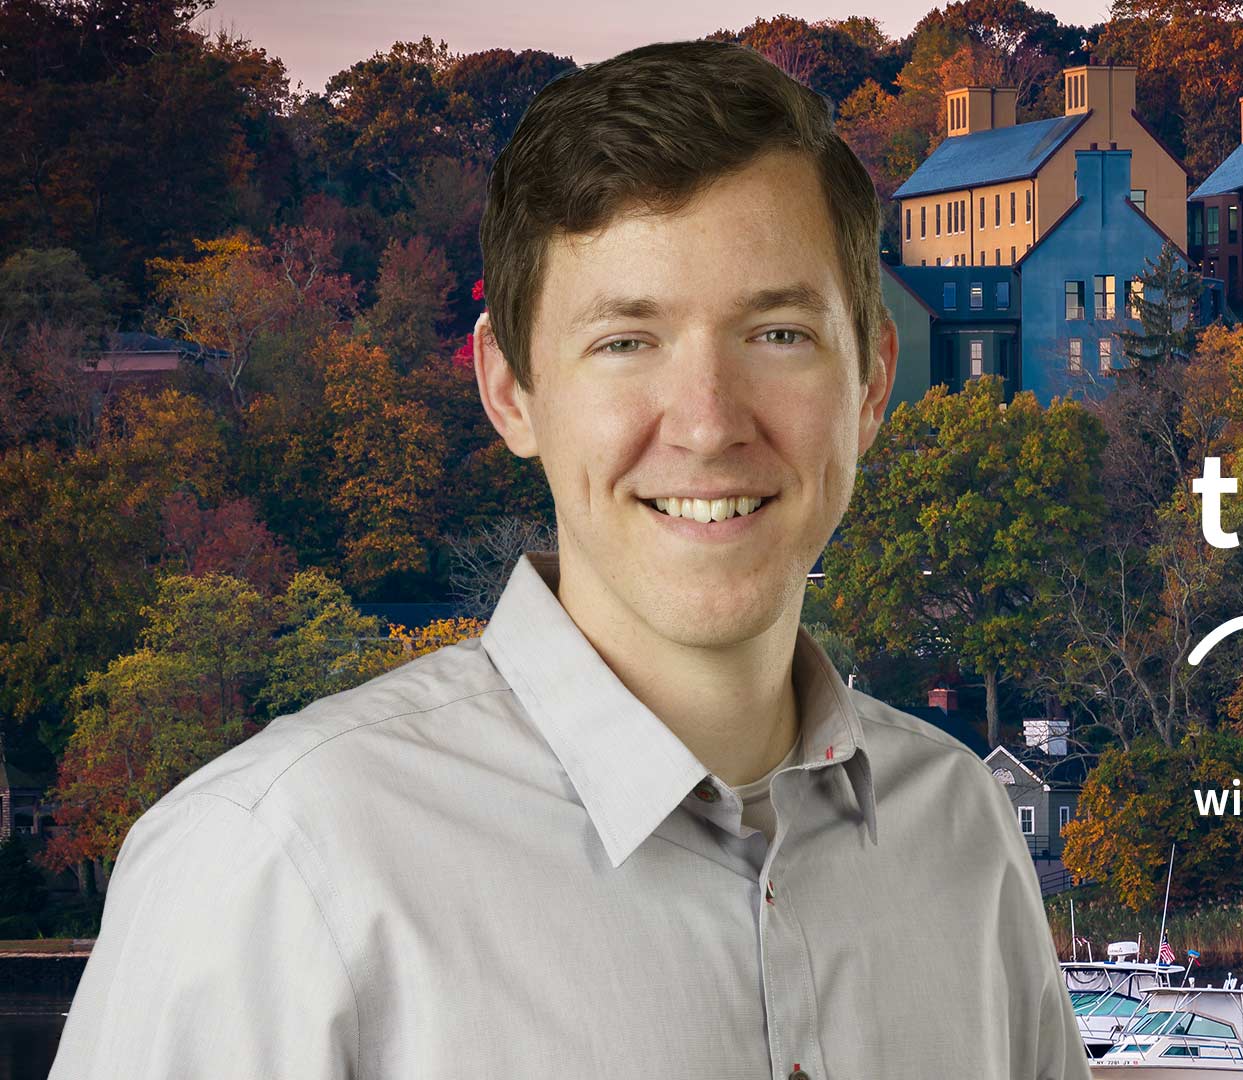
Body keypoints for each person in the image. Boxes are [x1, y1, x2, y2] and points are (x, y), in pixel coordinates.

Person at [50, 40, 1089, 1080]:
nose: (709, 424)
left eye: (777, 334)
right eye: (626, 342)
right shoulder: (270, 867)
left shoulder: (964, 832)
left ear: (872, 380)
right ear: (510, 390)